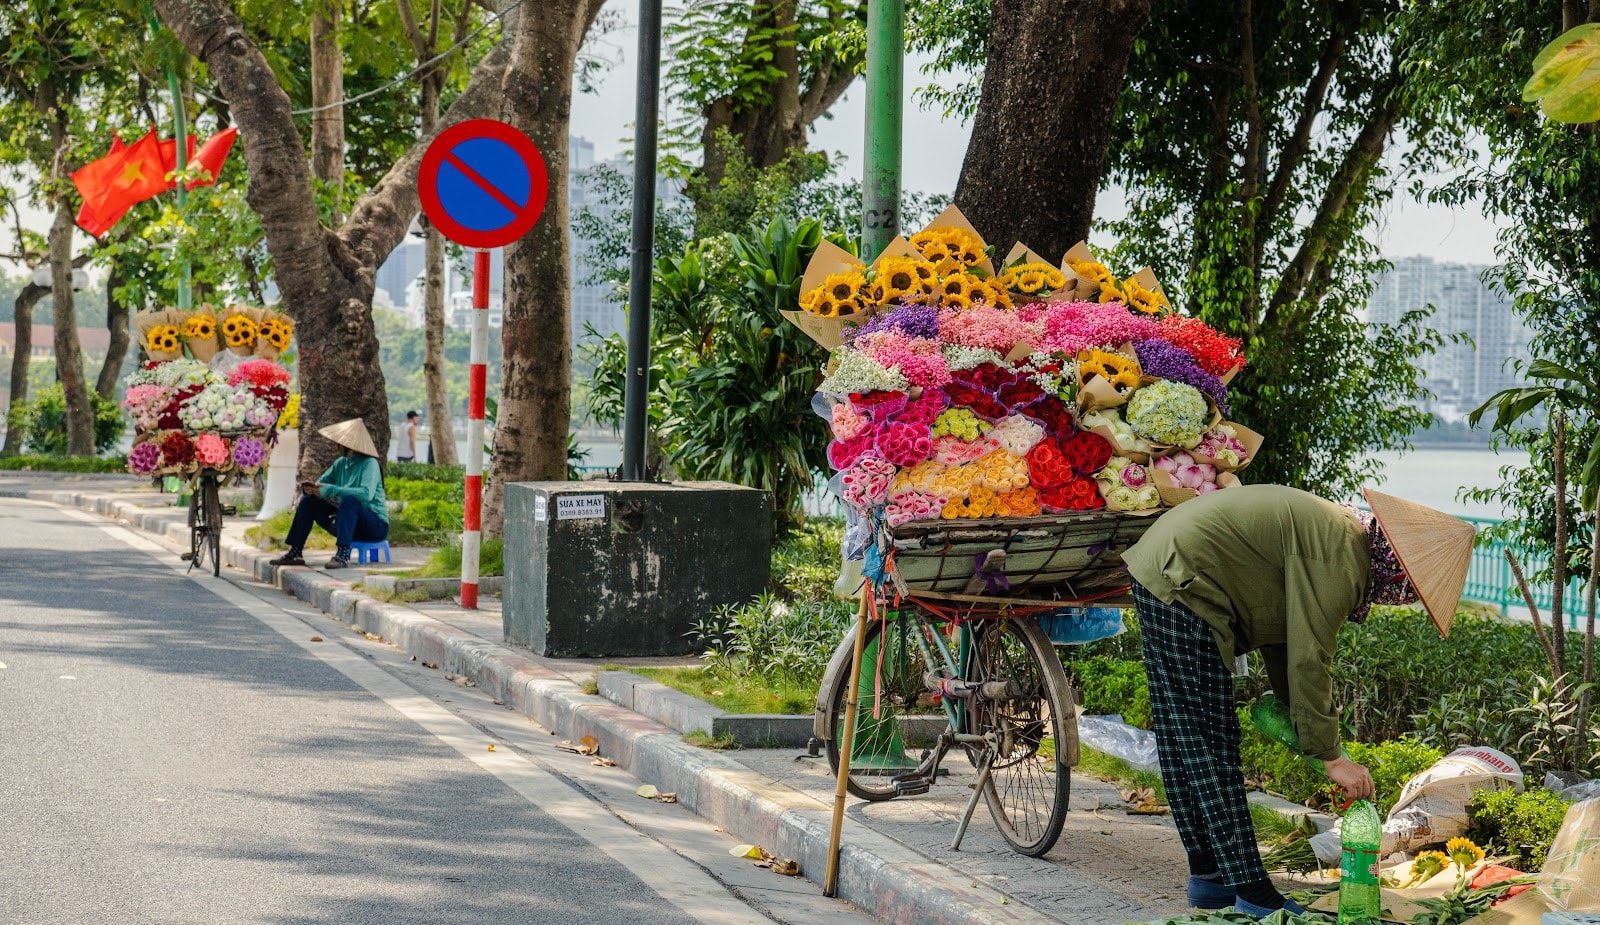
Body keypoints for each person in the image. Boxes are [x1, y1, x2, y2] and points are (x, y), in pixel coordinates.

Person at [1120, 484, 1474, 918]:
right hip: (1184, 577)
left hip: (1169, 565)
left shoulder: (1344, 538)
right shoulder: (1343, 560)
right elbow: (1309, 661)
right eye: (1409, 590)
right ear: (1399, 571)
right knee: (1208, 744)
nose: (1399, 598)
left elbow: (1284, 638)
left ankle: (1210, 880)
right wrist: (1331, 758)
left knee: (1186, 739)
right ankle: (1251, 889)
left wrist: (1308, 731)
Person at [269, 418, 390, 570]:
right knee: (309, 501)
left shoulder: (369, 464)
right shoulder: (341, 463)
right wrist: (313, 489)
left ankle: (342, 554)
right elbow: (322, 482)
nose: (337, 446)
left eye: (341, 443)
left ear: (351, 446)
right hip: (347, 523)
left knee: (349, 500)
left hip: (374, 526)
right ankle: (295, 551)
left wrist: (332, 489)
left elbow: (366, 495)